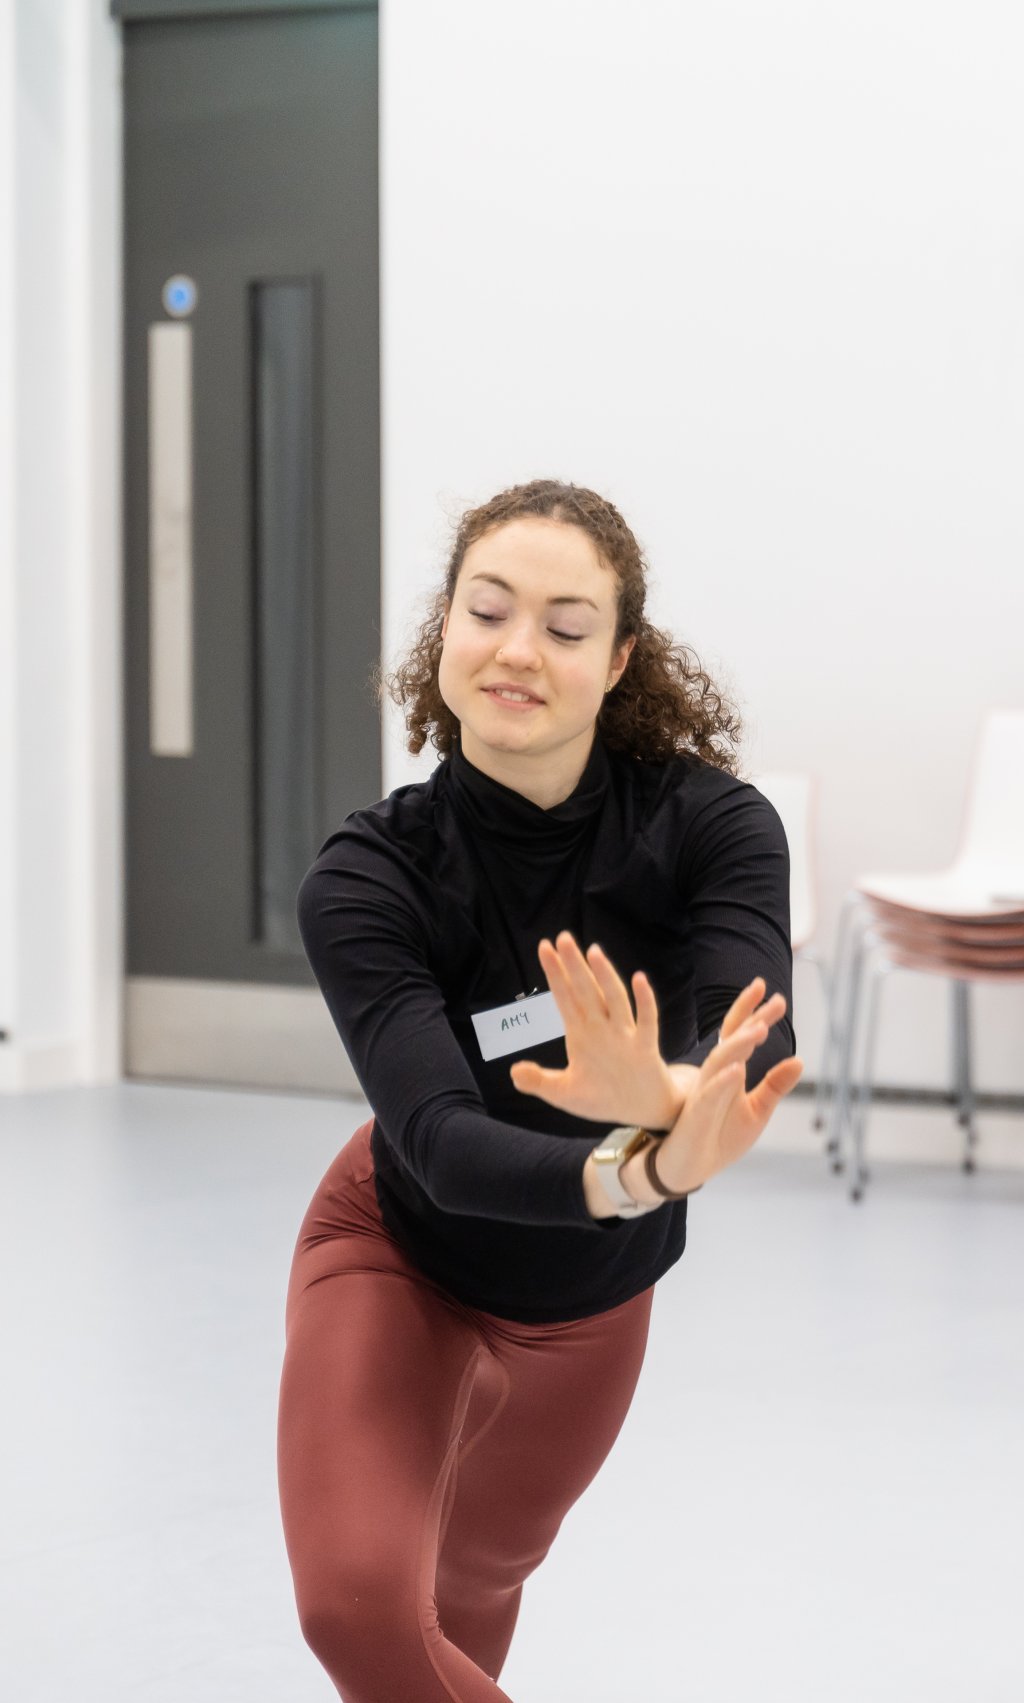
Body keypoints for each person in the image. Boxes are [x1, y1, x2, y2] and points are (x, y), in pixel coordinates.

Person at [280, 481, 804, 1703]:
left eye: (567, 628)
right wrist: (649, 1161)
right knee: (360, 1611)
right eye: (487, 610)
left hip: (590, 1302)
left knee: (468, 1597)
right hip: (399, 1248)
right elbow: (441, 1140)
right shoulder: (370, 875)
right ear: (444, 632)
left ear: (620, 660)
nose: (519, 649)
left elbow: (751, 1054)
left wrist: (664, 1086)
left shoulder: (710, 828)